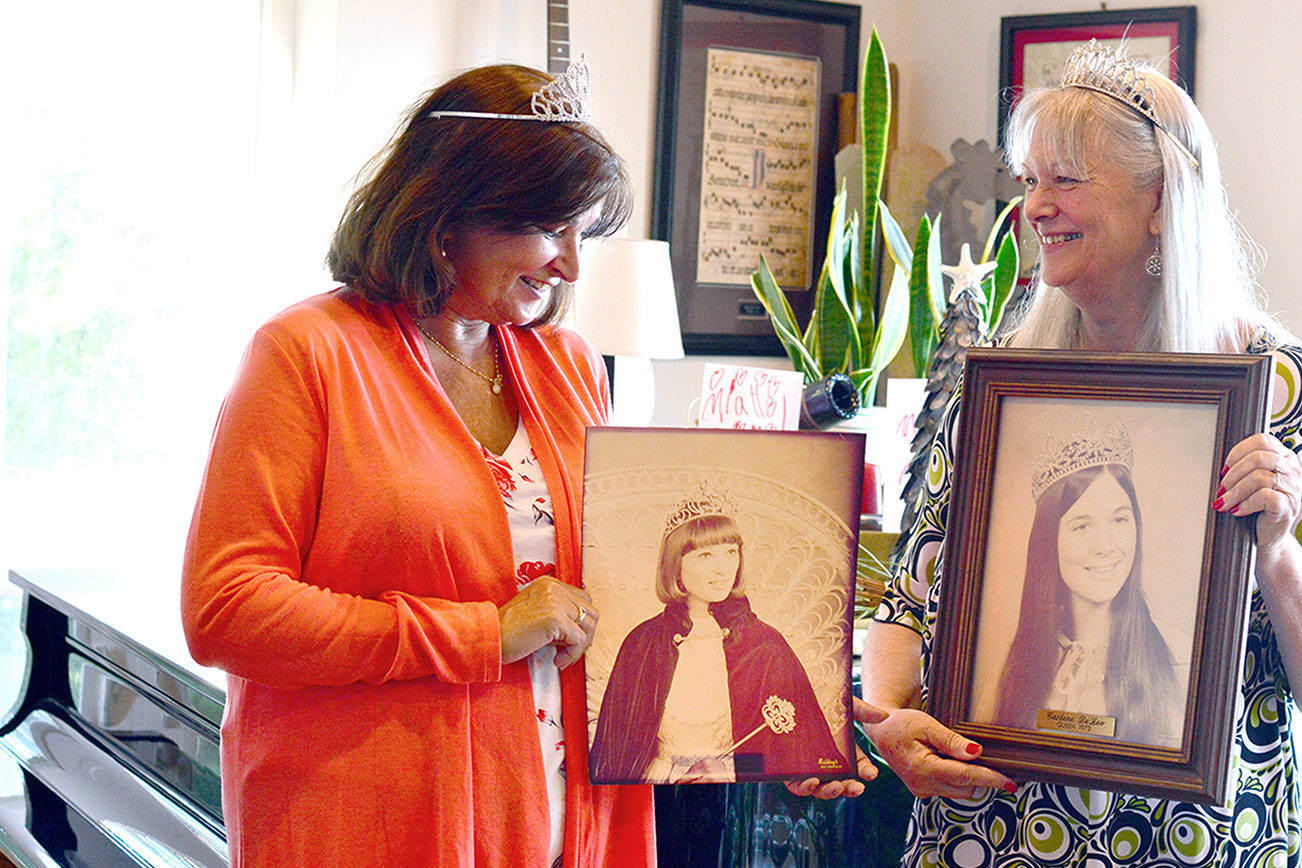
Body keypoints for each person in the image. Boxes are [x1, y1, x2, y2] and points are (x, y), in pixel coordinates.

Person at [180, 59, 655, 867]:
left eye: (584, 234)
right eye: (552, 230)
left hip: (571, 816)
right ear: (447, 219)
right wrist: (483, 633)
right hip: (371, 822)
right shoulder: (304, 354)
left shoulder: (570, 365)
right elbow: (228, 609)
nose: (572, 266)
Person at [861, 40, 1302, 864]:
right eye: (1028, 181)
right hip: (989, 830)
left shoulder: (1281, 392)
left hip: (1196, 842)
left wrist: (1275, 548)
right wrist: (894, 721)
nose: (1034, 207)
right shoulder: (996, 385)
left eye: (1065, 180)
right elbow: (910, 599)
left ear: (1162, 199)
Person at [589, 491, 851, 784]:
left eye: (730, 552)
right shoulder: (642, 644)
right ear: (676, 563)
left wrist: (727, 769)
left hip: (737, 804)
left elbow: (793, 755)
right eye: (705, 555)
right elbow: (615, 757)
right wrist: (667, 776)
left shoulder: (766, 647)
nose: (722, 568)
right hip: (650, 805)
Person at [991, 423, 1182, 748]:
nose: (1105, 546)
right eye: (1082, 526)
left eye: (1120, 519)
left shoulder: (1179, 658)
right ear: (1049, 540)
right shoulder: (1012, 664)